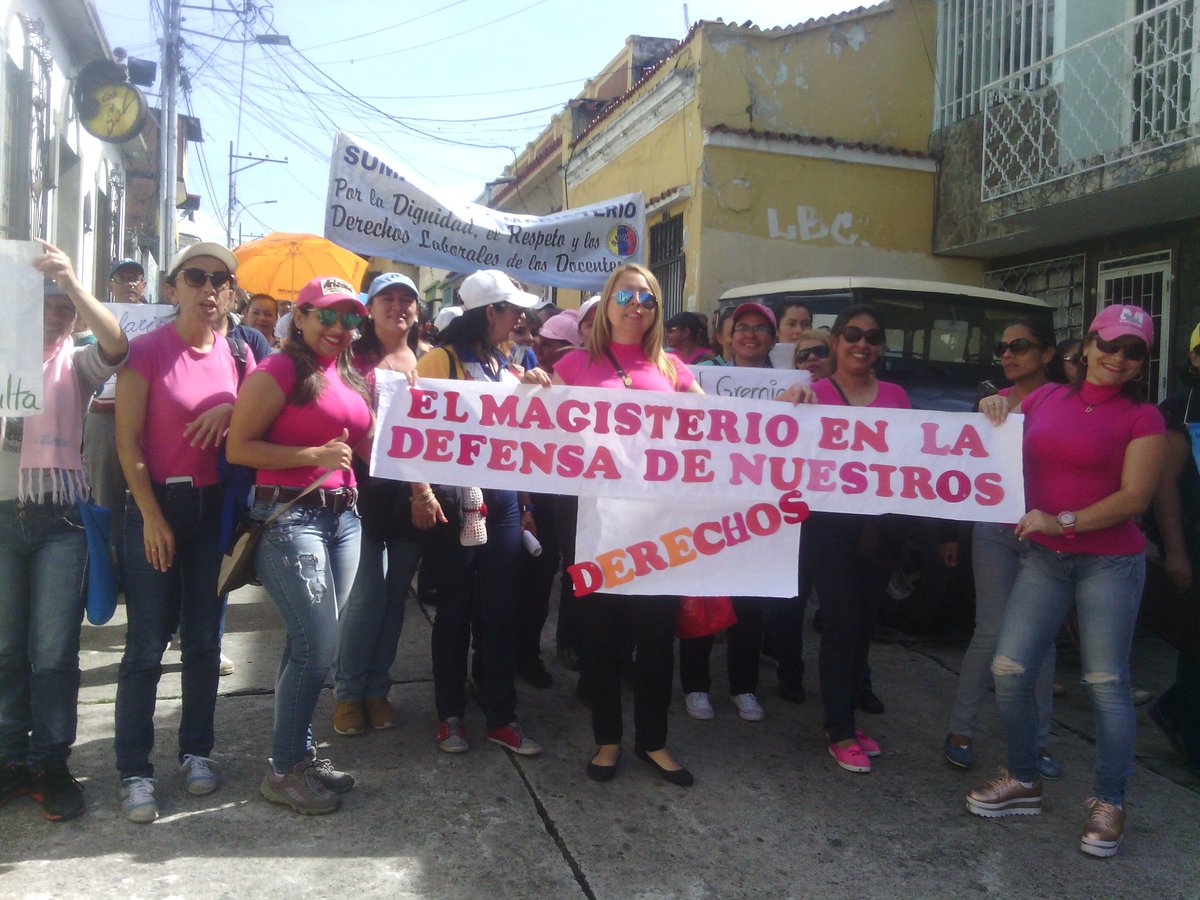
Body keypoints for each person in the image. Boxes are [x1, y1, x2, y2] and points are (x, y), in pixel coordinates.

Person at [966, 304, 1166, 859]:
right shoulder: (1047, 396)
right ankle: (1025, 777)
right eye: (1110, 344)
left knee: (1105, 684)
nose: (1118, 358)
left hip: (1109, 563)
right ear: (1088, 342)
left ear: (1142, 362)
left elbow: (1134, 499)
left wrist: (1065, 520)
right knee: (1008, 669)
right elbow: (994, 427)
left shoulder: (1143, 418)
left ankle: (1109, 801)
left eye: (1134, 351)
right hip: (1046, 559)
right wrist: (991, 407)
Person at [226, 276, 373, 815]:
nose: (339, 328)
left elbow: (372, 442)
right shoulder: (280, 369)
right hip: (289, 518)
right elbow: (240, 446)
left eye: (350, 318)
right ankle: (284, 770)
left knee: (307, 647)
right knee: (317, 646)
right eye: (327, 316)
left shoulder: (348, 374)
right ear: (301, 317)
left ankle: (300, 755)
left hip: (344, 518)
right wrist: (313, 454)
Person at [553, 262, 703, 786]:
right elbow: (536, 434)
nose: (636, 306)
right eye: (626, 296)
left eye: (647, 298)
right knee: (602, 637)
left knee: (657, 638)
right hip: (597, 524)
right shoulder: (574, 365)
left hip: (659, 528)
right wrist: (529, 389)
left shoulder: (674, 369)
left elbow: (726, 432)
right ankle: (608, 740)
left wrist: (790, 406)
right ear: (607, 303)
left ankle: (654, 742)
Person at [113, 242, 243, 823]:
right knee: (145, 646)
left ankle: (196, 752)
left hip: (212, 511)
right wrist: (150, 515)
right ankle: (135, 770)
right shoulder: (146, 351)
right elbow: (126, 443)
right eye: (196, 277)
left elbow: (267, 410)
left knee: (205, 641)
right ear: (173, 289)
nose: (208, 288)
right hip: (158, 504)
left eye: (220, 279)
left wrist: (237, 411)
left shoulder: (235, 354)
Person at [0, 243, 127, 822]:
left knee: (52, 653)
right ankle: (9, 759)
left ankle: (51, 761)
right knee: (5, 649)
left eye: (64, 308)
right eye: (45, 305)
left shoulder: (76, 365)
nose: (56, 315)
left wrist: (74, 281)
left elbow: (118, 345)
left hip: (60, 520)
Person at [414, 269, 549, 756]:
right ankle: (450, 714)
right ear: (489, 312)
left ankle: (500, 714)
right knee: (455, 609)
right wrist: (421, 491)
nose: (521, 319)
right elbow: (415, 433)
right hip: (459, 499)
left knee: (500, 610)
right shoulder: (439, 360)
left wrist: (527, 502)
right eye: (513, 310)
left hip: (506, 501)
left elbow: (521, 440)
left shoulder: (508, 363)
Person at [789, 304, 910, 774]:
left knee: (863, 624)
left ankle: (848, 716)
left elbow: (917, 454)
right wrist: (790, 401)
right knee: (839, 622)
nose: (863, 344)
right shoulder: (811, 394)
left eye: (873, 337)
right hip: (827, 526)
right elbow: (776, 444)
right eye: (853, 335)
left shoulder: (898, 396)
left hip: (879, 527)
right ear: (836, 341)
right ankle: (838, 727)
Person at [942, 320, 1061, 776]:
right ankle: (961, 729)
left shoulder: (1065, 402)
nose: (1009, 354)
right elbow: (963, 470)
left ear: (1047, 353)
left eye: (1021, 346)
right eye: (1002, 346)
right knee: (991, 631)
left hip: (1045, 529)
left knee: (1043, 640)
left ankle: (1038, 741)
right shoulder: (990, 404)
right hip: (994, 528)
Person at [332, 272, 423, 737]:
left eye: (406, 298)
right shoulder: (351, 358)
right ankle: (347, 693)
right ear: (370, 308)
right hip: (362, 492)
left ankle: (376, 688)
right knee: (365, 597)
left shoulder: (430, 360)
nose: (397, 306)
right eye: (387, 298)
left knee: (394, 600)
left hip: (413, 498)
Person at [681, 303, 776, 722]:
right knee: (699, 594)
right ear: (725, 336)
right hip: (705, 502)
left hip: (759, 511)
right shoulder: (701, 378)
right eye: (742, 328)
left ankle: (743, 687)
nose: (750, 335)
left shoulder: (790, 384)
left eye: (760, 329)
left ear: (772, 339)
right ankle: (696, 686)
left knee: (750, 603)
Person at [1146, 326, 1200, 776]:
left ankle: (1169, 708)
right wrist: (1176, 553)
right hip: (1193, 542)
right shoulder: (1181, 409)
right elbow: (1164, 488)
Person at [83, 259, 150, 556]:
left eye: (136, 278)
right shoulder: (92, 319)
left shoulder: (157, 320)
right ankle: (109, 566)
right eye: (122, 278)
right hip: (103, 415)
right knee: (105, 496)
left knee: (147, 493)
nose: (130, 284)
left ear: (145, 286)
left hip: (148, 417)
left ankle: (142, 561)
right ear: (110, 285)